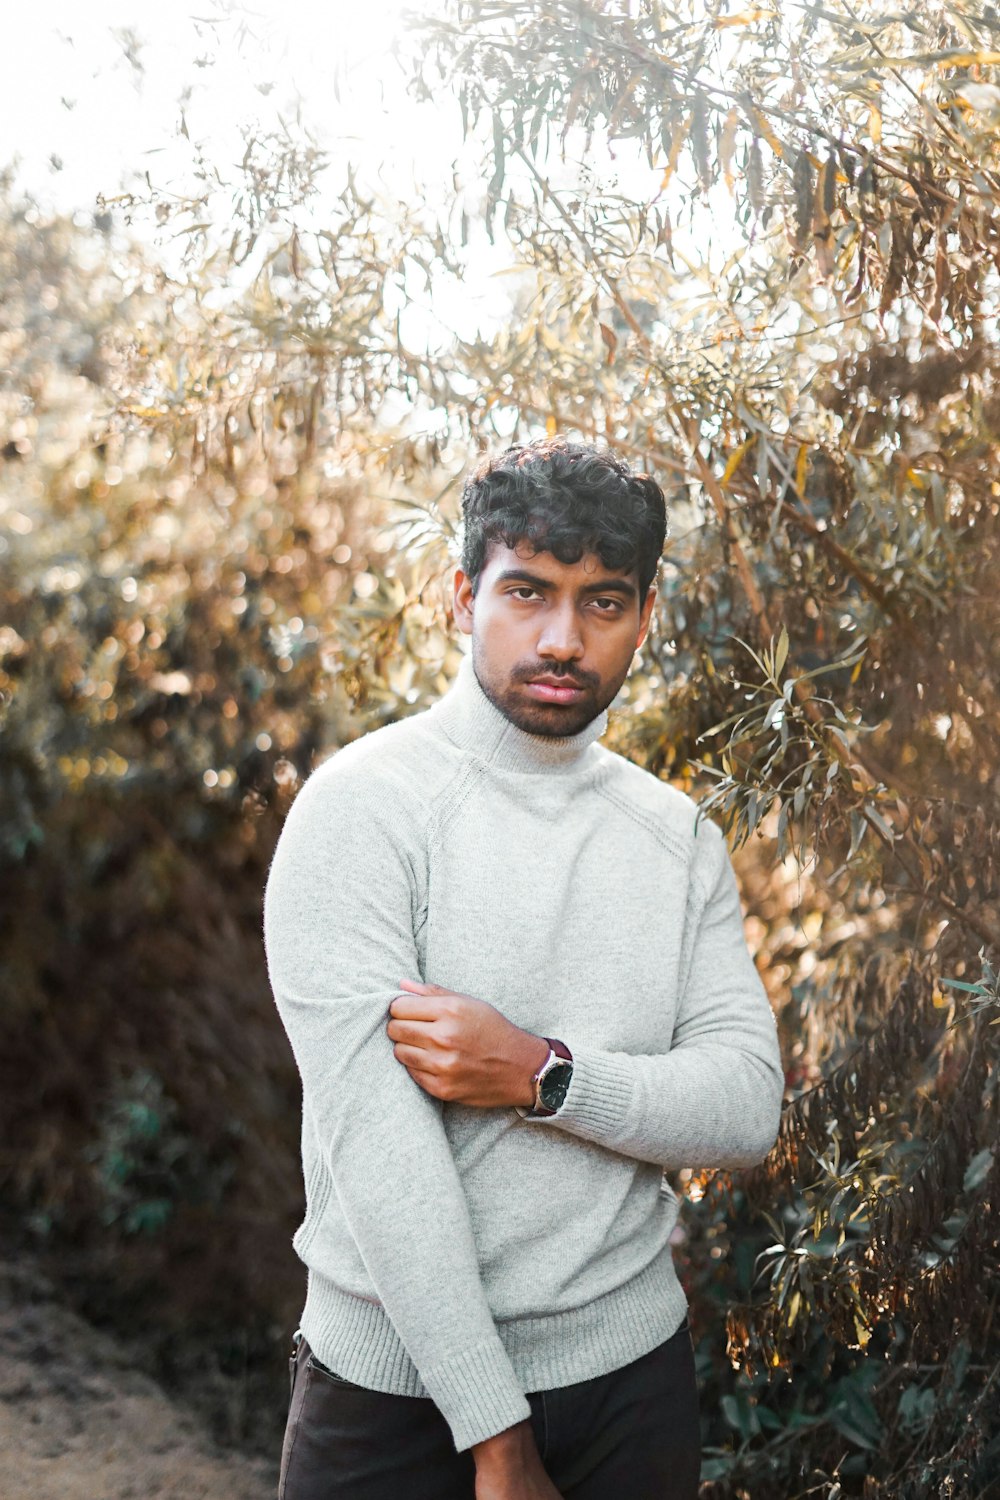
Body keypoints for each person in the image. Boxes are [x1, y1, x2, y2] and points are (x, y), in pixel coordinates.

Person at [263, 435, 784, 1499]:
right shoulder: (363, 811)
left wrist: (543, 1075)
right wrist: (495, 1437)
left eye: (601, 602)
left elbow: (744, 1107)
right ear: (462, 598)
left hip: (628, 1385)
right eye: (526, 592)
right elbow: (379, 1153)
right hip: (391, 1398)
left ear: (643, 618)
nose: (560, 637)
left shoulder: (673, 837)